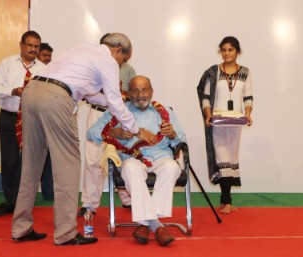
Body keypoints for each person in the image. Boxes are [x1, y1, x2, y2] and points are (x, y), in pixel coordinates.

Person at [11, 33, 155, 245]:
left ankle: (20, 228)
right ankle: (65, 233)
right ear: (118, 51)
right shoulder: (108, 60)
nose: (121, 64)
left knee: (31, 164)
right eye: (123, 60)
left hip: (32, 92)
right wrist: (136, 130)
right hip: (56, 98)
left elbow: (90, 94)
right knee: (68, 166)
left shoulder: (81, 49)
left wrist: (113, 101)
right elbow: (115, 103)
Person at [88, 75, 187, 246]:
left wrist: (172, 134)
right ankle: (157, 226)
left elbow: (181, 140)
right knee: (131, 169)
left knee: (172, 167)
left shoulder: (165, 112)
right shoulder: (117, 112)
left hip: (160, 156)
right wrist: (114, 133)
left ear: (151, 91)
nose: (140, 95)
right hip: (131, 157)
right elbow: (91, 133)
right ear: (128, 93)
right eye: (135, 90)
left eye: (144, 90)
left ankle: (144, 224)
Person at [0, 30, 46, 216]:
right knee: (10, 160)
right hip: (9, 116)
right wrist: (13, 91)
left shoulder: (44, 69)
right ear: (21, 45)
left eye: (36, 46)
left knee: (31, 162)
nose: (33, 49)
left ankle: (26, 202)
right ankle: (11, 202)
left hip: (32, 119)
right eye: (29, 45)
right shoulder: (7, 63)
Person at [78, 33, 136, 216]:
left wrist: (119, 91)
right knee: (93, 159)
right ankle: (89, 205)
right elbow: (87, 90)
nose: (120, 60)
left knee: (123, 157)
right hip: (97, 113)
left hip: (118, 115)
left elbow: (134, 93)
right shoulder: (93, 65)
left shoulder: (127, 68)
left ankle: (129, 200)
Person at [197, 36, 254, 214]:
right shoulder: (213, 72)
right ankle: (226, 200)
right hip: (218, 121)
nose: (226, 53)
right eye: (223, 50)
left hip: (236, 121)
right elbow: (206, 96)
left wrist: (248, 114)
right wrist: (208, 115)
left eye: (230, 49)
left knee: (232, 158)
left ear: (237, 51)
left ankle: (226, 201)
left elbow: (248, 96)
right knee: (222, 158)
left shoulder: (245, 72)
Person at [36, 42, 54, 201]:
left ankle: (49, 193)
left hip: (48, 117)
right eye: (45, 56)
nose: (48, 59)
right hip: (29, 119)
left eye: (49, 56)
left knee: (49, 156)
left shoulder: (54, 72)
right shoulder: (32, 73)